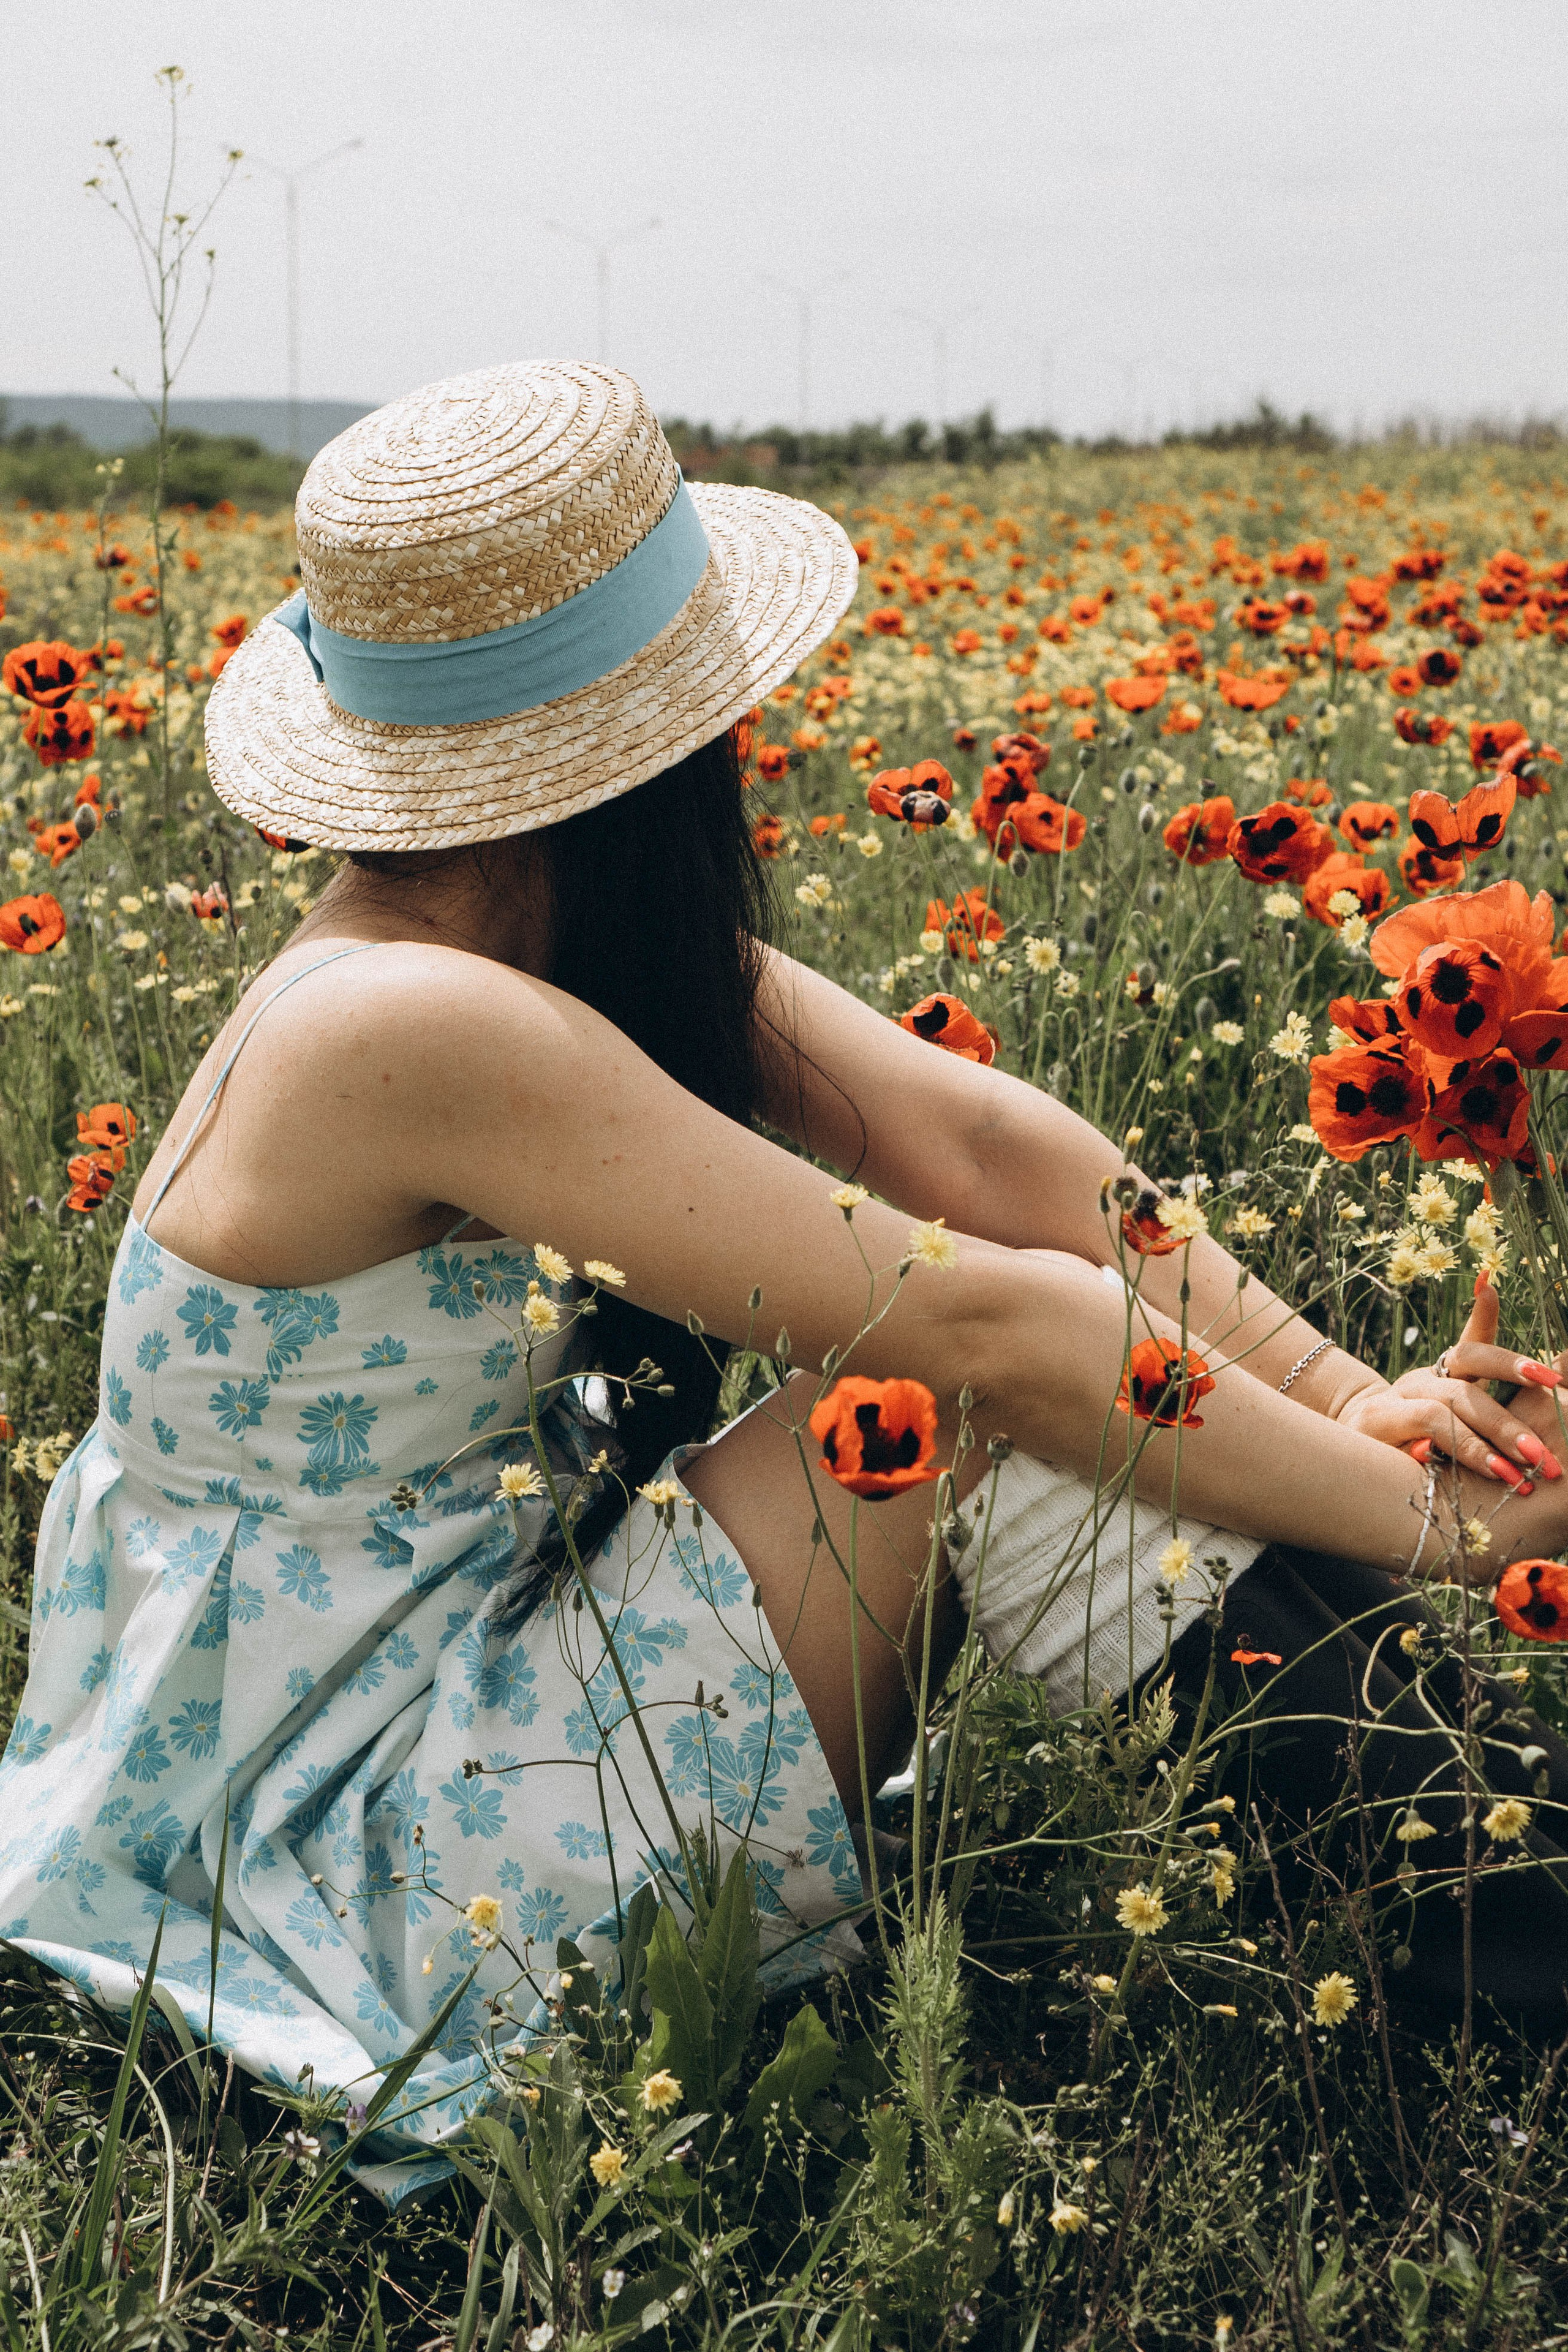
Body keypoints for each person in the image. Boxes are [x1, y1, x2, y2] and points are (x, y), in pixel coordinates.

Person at [2, 364, 1566, 2197]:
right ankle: (1499, 1934)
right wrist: (1453, 1525)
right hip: (375, 1835)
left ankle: (1488, 1911)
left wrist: (1331, 1391)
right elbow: (988, 1325)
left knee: (1009, 1410)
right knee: (945, 1414)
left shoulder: (505, 940)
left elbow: (981, 1150)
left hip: (417, 1699)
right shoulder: (418, 1020)